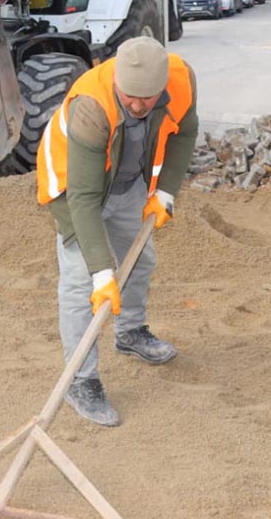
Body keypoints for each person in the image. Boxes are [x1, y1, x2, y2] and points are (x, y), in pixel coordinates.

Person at [35, 36, 199, 427]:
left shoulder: (181, 81)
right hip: (75, 189)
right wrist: (102, 273)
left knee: (140, 262)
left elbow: (185, 135)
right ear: (117, 82)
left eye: (148, 98)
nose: (139, 106)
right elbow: (85, 200)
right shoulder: (92, 106)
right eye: (130, 98)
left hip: (129, 185)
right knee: (81, 286)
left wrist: (165, 192)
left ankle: (130, 334)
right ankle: (80, 379)